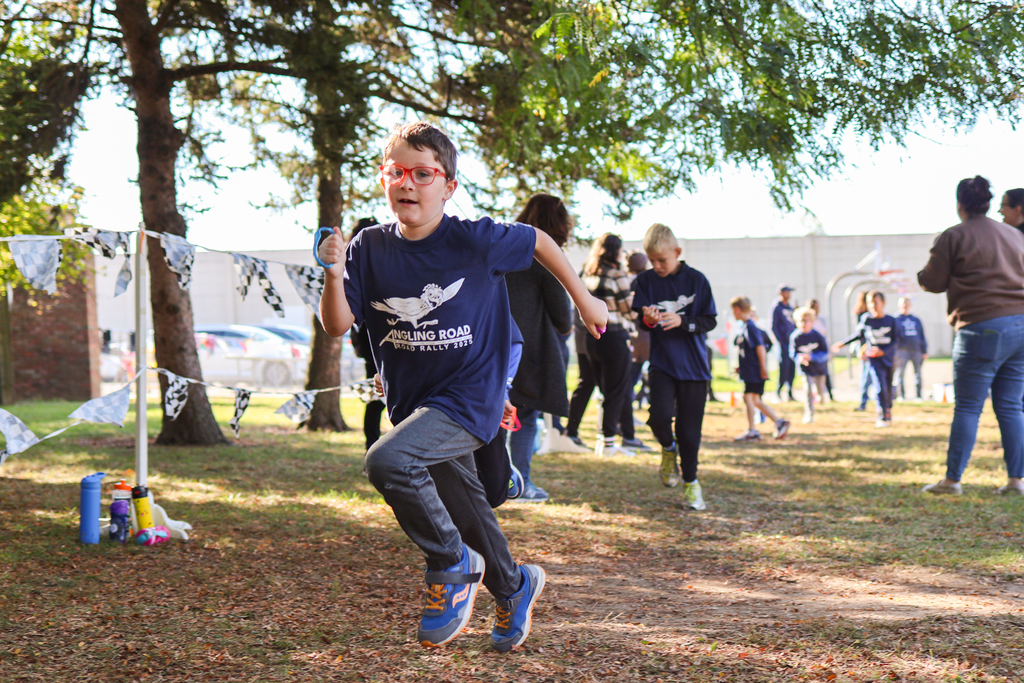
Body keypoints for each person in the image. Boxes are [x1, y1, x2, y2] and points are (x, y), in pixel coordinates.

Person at [317, 121, 608, 651]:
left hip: (472, 394)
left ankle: (450, 565)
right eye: (396, 172)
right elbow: (337, 326)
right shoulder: (369, 247)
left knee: (387, 462)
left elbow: (540, 240)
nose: (408, 183)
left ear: (448, 186)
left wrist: (585, 298)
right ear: (385, 179)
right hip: (413, 403)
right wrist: (333, 273)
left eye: (423, 174)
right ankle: (514, 586)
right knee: (471, 510)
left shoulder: (475, 239)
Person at [918, 176, 1024, 496]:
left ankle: (952, 480)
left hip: (981, 326)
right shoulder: (1014, 235)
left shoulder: (954, 236)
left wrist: (923, 274)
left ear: (960, 204)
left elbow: (933, 281)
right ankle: (1016, 481)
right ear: (990, 203)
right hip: (1020, 325)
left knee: (967, 407)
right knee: (1011, 407)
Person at [632, 223, 717, 510]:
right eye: (652, 260)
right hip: (662, 364)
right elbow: (639, 320)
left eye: (662, 260)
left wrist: (684, 321)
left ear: (677, 252)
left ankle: (692, 484)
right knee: (658, 417)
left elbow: (710, 320)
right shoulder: (644, 281)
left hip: (694, 367)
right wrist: (649, 320)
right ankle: (668, 450)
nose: (657, 266)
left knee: (689, 431)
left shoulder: (697, 280)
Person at [505, 194, 575, 502]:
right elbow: (562, 313)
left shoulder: (504, 246)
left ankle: (488, 481)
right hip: (528, 347)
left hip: (489, 341)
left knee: (490, 415)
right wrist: (567, 325)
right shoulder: (545, 253)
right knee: (524, 417)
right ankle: (519, 484)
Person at [582, 233, 642, 457]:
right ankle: (608, 443)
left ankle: (602, 440)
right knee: (617, 390)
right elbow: (629, 309)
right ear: (616, 251)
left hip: (592, 338)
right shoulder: (616, 275)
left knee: (604, 390)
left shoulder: (587, 273)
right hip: (615, 335)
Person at [832, 291, 899, 428]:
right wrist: (843, 343)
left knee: (888, 387)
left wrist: (883, 351)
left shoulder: (891, 320)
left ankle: (888, 410)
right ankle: (881, 415)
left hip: (888, 359)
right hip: (873, 359)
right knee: (879, 386)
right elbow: (858, 334)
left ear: (883, 303)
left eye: (875, 303)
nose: (872, 306)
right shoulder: (866, 319)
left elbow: (897, 341)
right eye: (869, 303)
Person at [349, 218, 386, 451]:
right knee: (375, 402)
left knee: (381, 403)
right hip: (372, 346)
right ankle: (371, 447)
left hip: (390, 342)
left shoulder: (383, 262)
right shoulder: (355, 267)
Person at [731, 296, 789, 441]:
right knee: (755, 400)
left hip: (754, 370)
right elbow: (748, 351)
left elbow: (760, 347)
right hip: (750, 369)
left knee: (748, 397)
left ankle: (752, 430)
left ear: (737, 309)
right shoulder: (745, 326)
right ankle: (779, 422)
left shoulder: (750, 326)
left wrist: (763, 368)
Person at [790, 307, 830, 424]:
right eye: (801, 321)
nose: (803, 324)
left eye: (806, 321)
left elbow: (825, 353)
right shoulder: (795, 337)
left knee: (820, 391)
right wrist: (800, 358)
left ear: (812, 322)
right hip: (806, 369)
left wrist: (812, 357)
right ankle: (809, 413)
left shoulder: (817, 336)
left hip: (819, 368)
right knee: (807, 390)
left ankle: (821, 396)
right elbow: (792, 353)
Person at [894, 297, 928, 401]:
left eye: (906, 303)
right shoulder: (896, 319)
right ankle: (901, 395)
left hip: (916, 350)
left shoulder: (916, 320)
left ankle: (918, 396)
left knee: (917, 373)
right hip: (901, 350)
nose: (905, 305)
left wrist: (924, 350)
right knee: (900, 373)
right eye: (903, 303)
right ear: (899, 305)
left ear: (910, 305)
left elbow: (922, 335)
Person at [850, 291, 877, 411]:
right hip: (864, 347)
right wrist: (862, 349)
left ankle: (871, 401)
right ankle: (863, 402)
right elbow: (861, 335)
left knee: (871, 376)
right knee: (867, 376)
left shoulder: (870, 315)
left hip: (870, 348)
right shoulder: (863, 315)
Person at [771, 285, 797, 402]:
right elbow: (774, 326)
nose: (789, 294)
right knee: (784, 367)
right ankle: (779, 391)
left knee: (792, 367)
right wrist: (780, 341)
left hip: (792, 343)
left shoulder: (790, 307)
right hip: (783, 343)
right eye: (787, 292)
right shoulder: (777, 307)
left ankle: (790, 392)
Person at [806, 298, 835, 401]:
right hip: (811, 350)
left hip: (821, 351)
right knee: (810, 377)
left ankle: (830, 395)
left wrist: (828, 351)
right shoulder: (808, 321)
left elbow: (825, 335)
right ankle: (814, 397)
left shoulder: (821, 320)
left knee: (825, 373)